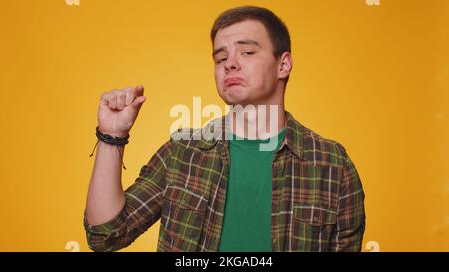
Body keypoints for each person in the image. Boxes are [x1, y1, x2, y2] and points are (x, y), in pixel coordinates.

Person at [84, 5, 366, 252]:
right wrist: (112, 136)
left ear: (283, 65)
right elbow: (106, 236)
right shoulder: (183, 152)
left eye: (247, 51)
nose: (230, 63)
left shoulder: (331, 164)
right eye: (220, 58)